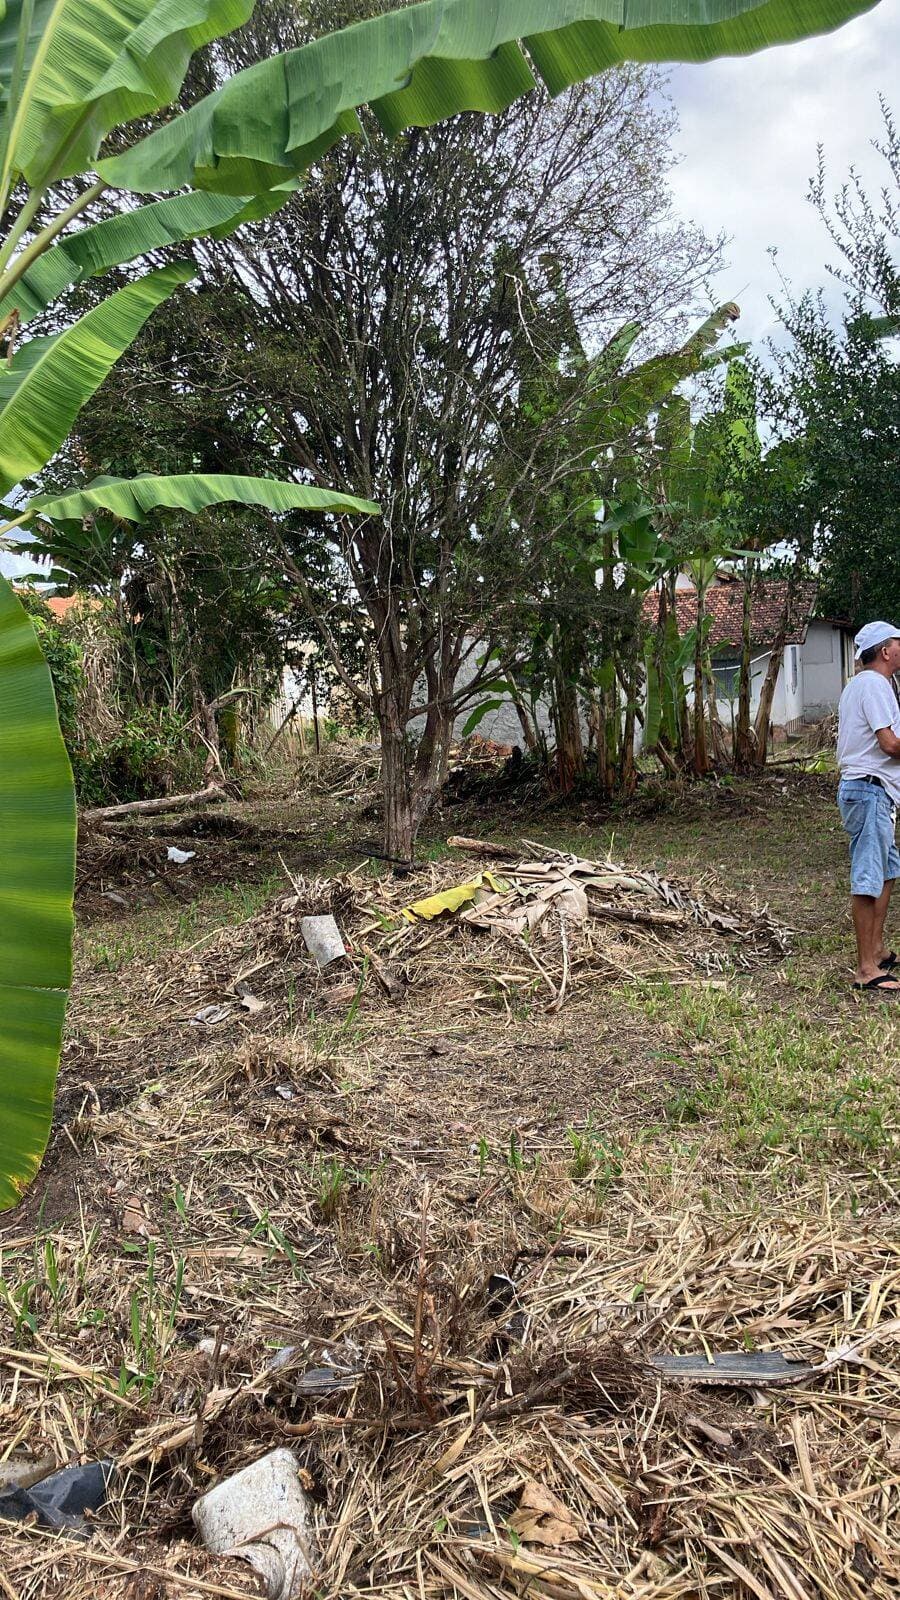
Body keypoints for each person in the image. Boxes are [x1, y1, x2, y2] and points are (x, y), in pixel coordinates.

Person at [836, 621, 900, 994]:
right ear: (884, 650)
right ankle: (865, 969)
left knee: (887, 870)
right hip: (869, 790)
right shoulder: (874, 684)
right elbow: (889, 744)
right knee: (868, 875)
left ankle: (876, 950)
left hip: (874, 791)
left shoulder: (867, 684)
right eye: (898, 642)